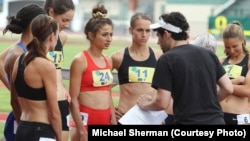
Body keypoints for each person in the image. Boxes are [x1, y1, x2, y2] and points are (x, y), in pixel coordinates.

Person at [137, 11, 234, 125]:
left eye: (158, 36)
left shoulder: (166, 59)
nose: (158, 42)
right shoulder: (208, 54)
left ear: (167, 34)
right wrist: (206, 103)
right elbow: (228, 88)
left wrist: (145, 105)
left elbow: (162, 103)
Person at [110, 12, 172, 124]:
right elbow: (100, 88)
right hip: (126, 118)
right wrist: (109, 111)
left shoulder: (159, 57)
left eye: (148, 31)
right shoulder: (118, 57)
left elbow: (170, 89)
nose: (144, 35)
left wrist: (162, 116)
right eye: (140, 30)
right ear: (130, 30)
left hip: (151, 120)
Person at [69, 3, 115, 141]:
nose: (109, 39)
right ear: (91, 35)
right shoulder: (80, 60)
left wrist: (112, 117)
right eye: (104, 35)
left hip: (105, 119)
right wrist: (82, 130)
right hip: (85, 122)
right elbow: (73, 99)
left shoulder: (108, 60)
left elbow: (108, 91)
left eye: (111, 34)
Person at [12, 14, 62, 141]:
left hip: (22, 128)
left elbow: (14, 101)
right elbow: (54, 113)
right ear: (51, 36)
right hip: (41, 131)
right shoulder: (46, 66)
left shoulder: (19, 60)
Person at [1, 4, 47, 141]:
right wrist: (23, 126)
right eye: (44, 23)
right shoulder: (17, 53)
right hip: (21, 120)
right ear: (34, 24)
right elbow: (15, 100)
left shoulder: (23, 49)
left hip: (27, 119)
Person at [43, 0, 75, 140]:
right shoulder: (35, 38)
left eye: (69, 21)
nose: (66, 25)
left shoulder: (62, 37)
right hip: (43, 102)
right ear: (51, 12)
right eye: (64, 20)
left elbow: (57, 68)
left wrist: (62, 86)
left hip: (62, 101)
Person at [219, 21, 250, 125]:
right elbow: (210, 88)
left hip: (240, 118)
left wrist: (223, 86)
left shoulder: (249, 61)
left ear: (242, 40)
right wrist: (236, 82)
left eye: (234, 46)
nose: (231, 50)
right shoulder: (220, 61)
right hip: (218, 115)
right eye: (227, 47)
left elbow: (248, 90)